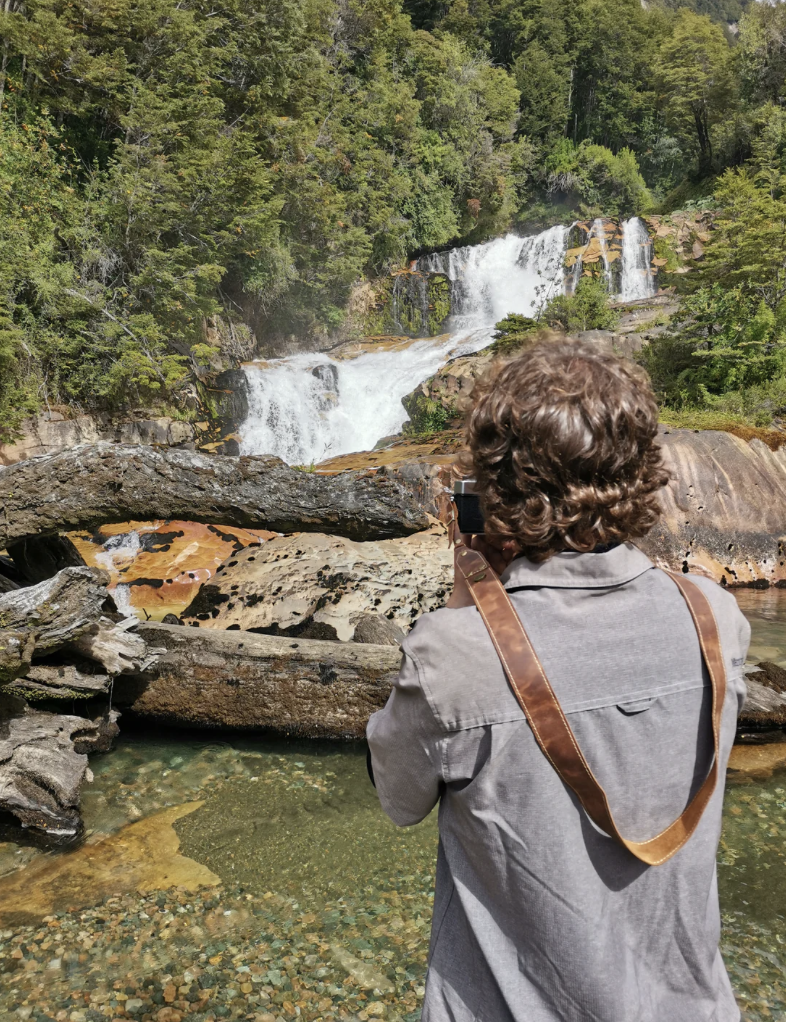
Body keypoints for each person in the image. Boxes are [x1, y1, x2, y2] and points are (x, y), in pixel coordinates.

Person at [366, 339, 750, 1022]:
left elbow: (399, 798)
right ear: (640, 474)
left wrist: (468, 602)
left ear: (497, 490)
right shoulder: (715, 619)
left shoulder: (454, 655)